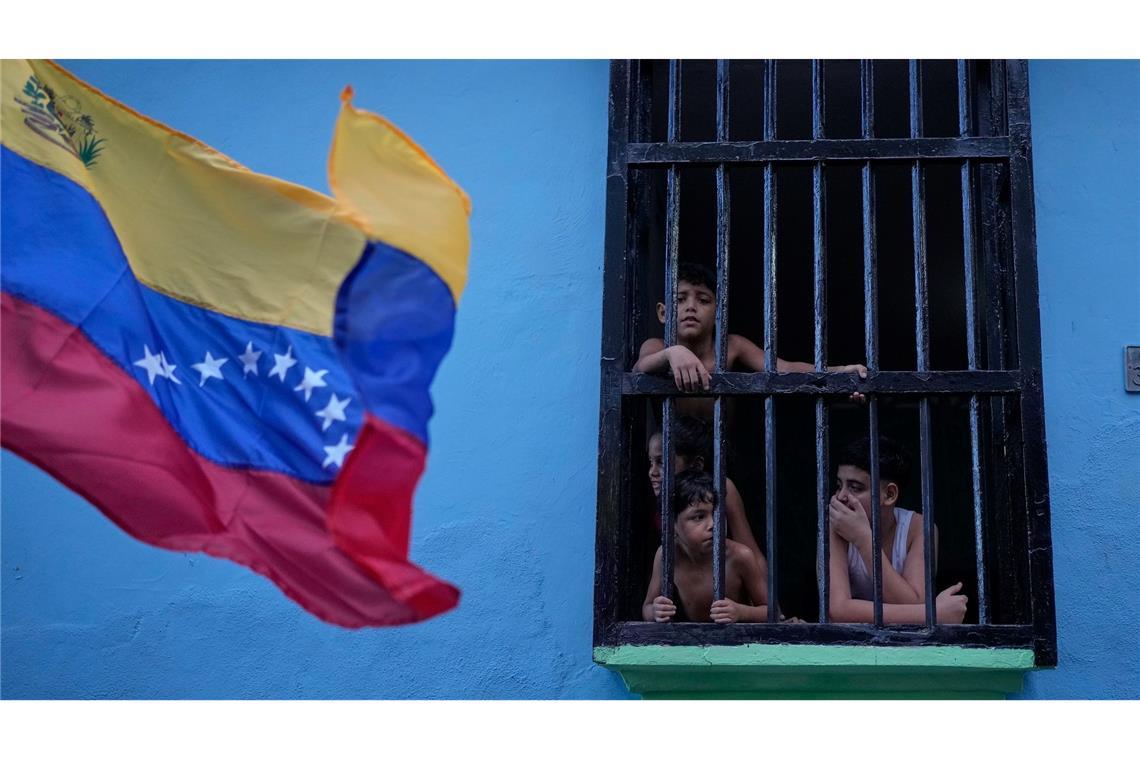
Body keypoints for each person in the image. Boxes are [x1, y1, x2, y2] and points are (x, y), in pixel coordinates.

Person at [632, 262, 868, 419]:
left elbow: (783, 368)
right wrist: (672, 353)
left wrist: (839, 373)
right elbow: (637, 371)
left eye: (703, 300)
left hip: (722, 456)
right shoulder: (657, 347)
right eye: (680, 299)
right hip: (674, 457)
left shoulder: (731, 346)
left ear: (718, 313)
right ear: (663, 313)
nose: (691, 307)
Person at [824, 435, 968, 624]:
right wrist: (932, 615)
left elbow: (915, 603)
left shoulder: (917, 528)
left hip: (906, 641)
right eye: (839, 485)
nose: (840, 497)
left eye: (855, 488)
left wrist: (864, 540)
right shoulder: (836, 528)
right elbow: (837, 609)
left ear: (890, 494)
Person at [646, 416, 767, 585]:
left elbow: (751, 551)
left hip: (723, 586)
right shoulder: (661, 495)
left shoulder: (720, 486)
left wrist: (769, 601)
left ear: (696, 465)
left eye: (662, 462)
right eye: (651, 462)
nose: (652, 472)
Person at [642, 469, 772, 623]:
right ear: (672, 526)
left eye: (718, 514)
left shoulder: (739, 556)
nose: (713, 524)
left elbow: (772, 612)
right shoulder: (667, 555)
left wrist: (741, 612)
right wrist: (656, 611)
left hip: (738, 637)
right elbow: (647, 607)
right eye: (699, 517)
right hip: (694, 637)